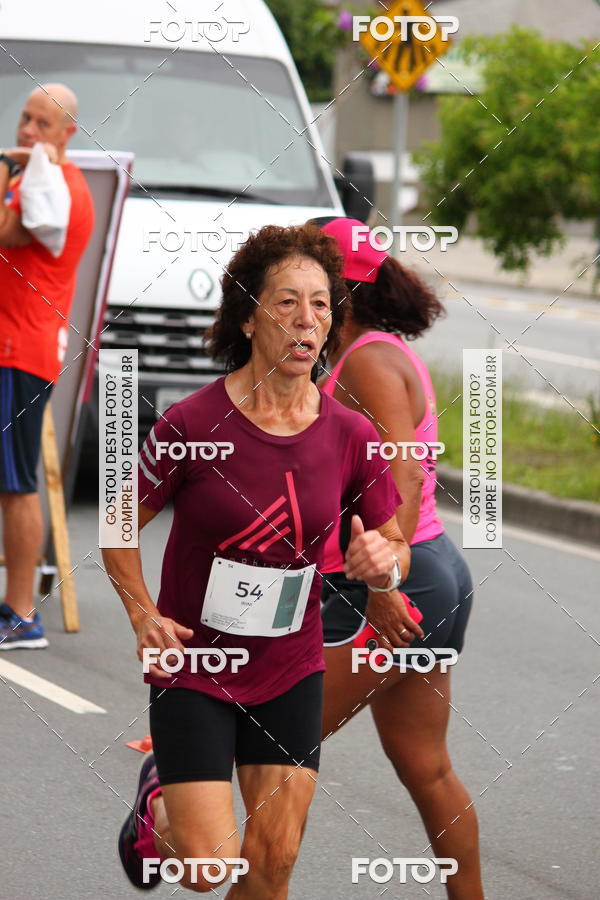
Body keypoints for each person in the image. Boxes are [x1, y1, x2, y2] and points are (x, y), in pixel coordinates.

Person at [101, 224, 420, 896]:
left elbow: (396, 548)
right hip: (196, 666)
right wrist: (142, 616)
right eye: (286, 304)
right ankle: (155, 805)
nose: (307, 321)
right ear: (247, 318)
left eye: (322, 305)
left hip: (289, 666)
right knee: (208, 868)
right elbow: (118, 523)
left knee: (272, 862)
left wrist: (381, 563)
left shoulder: (349, 434)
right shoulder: (192, 425)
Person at [312, 217, 484, 899]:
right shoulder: (367, 353)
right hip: (431, 573)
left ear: (339, 289)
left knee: (273, 744)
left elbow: (405, 473)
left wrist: (388, 571)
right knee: (425, 766)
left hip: (399, 581)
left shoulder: (368, 361)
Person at [0, 84, 94, 649]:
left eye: (42, 124)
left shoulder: (50, 186)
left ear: (67, 134)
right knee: (11, 481)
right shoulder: (46, 182)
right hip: (23, 348)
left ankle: (21, 614)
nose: (27, 131)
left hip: (19, 350)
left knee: (17, 484)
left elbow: (5, 232)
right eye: (25, 118)